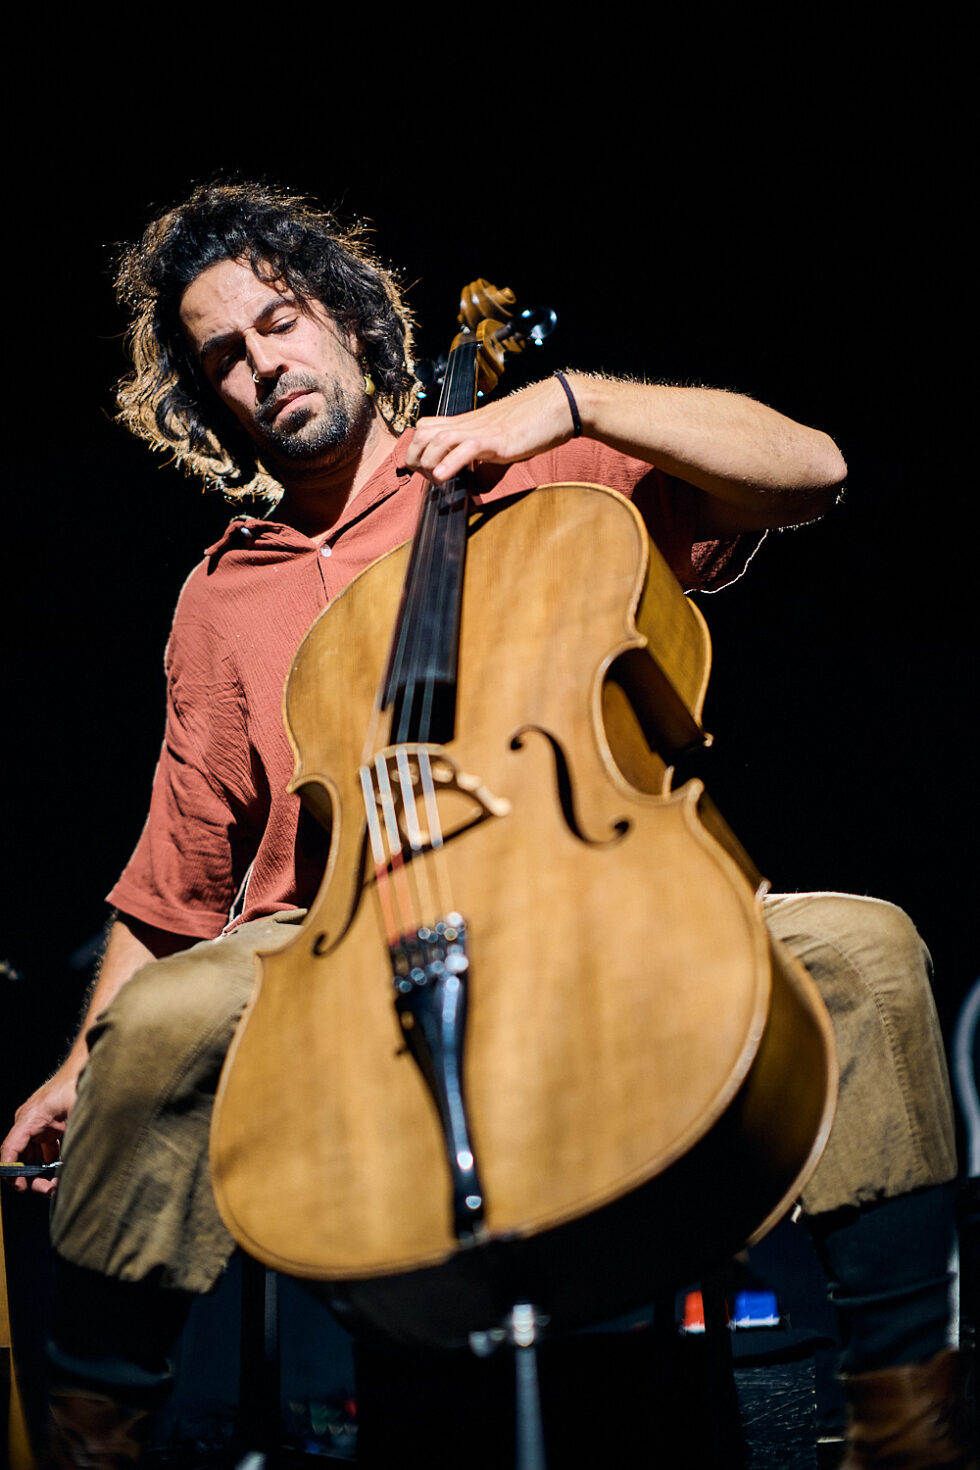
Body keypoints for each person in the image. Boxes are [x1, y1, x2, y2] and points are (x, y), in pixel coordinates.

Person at [1, 182, 972, 1469]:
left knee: (862, 950)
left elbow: (810, 474)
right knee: (160, 1025)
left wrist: (566, 404)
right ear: (206, 398)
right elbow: (173, 881)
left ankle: (902, 1418)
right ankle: (90, 1433)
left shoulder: (529, 465)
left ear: (348, 321)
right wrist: (83, 1064)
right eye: (222, 355)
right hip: (335, 943)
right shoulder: (221, 596)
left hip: (585, 897)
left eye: (279, 323)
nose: (261, 364)